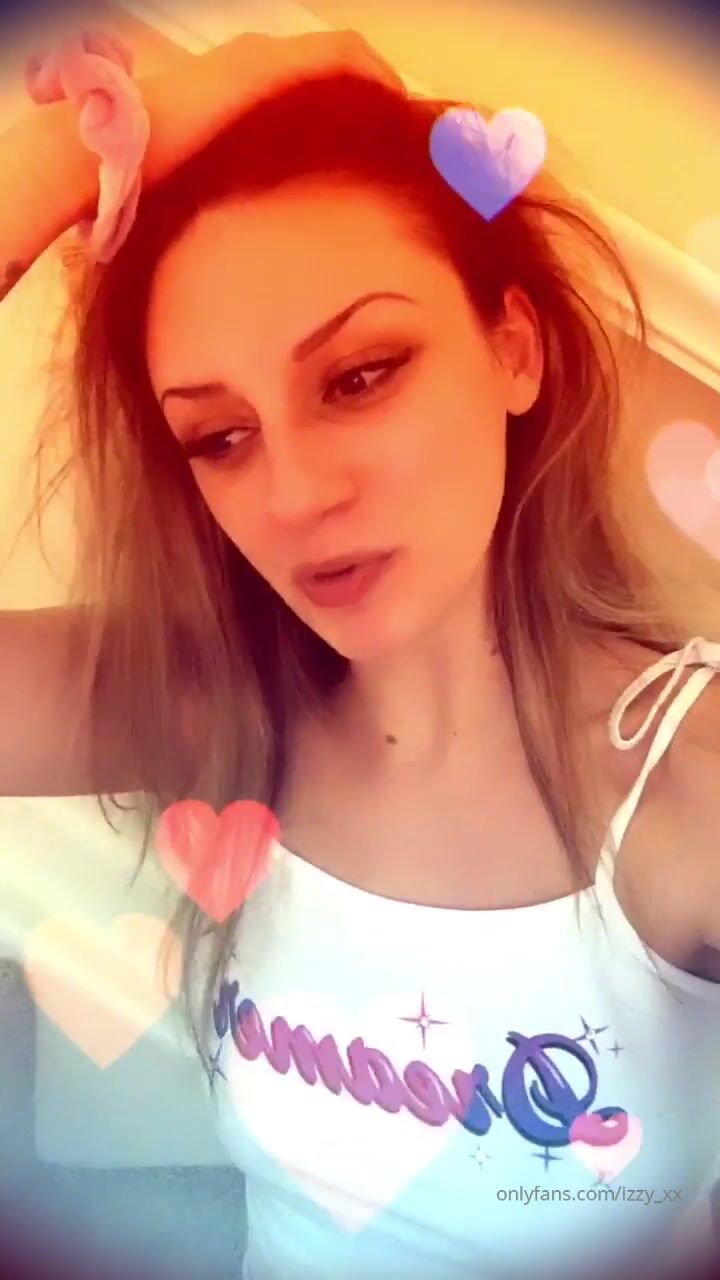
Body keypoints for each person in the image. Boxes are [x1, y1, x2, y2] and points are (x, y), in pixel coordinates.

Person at [1, 26, 720, 1280]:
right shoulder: (215, 705)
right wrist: (100, 145)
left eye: (361, 375)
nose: (294, 495)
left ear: (514, 348)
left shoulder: (688, 787)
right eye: (220, 437)